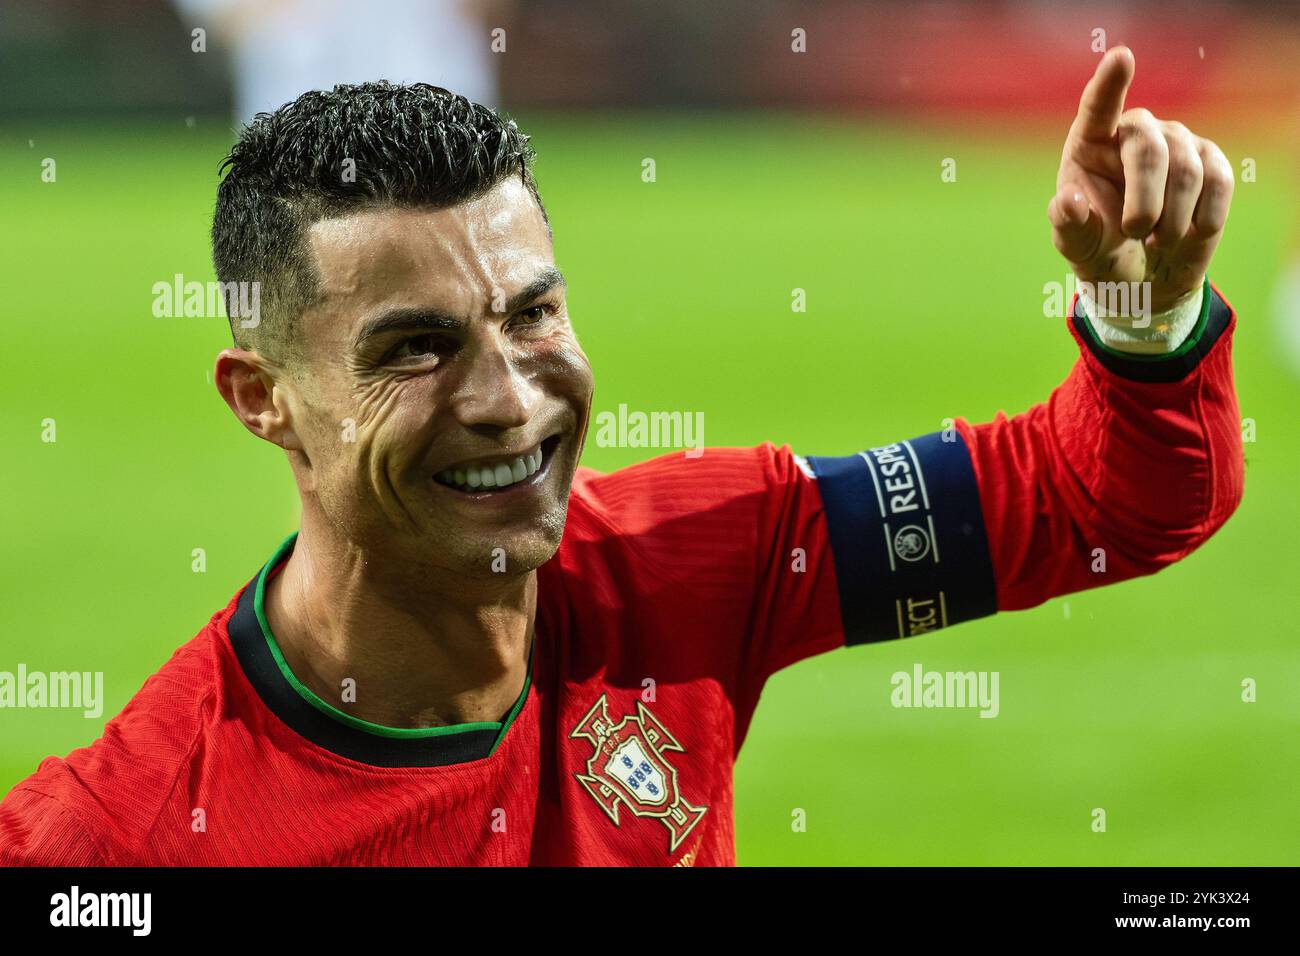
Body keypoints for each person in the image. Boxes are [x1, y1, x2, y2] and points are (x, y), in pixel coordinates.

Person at [0, 47, 1242, 865]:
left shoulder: (693, 555)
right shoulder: (117, 842)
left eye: (531, 313)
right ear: (264, 397)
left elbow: (1103, 502)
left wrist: (1143, 317)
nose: (507, 400)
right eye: (416, 347)